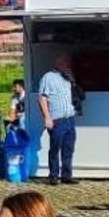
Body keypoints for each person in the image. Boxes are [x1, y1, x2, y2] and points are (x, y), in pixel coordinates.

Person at [37, 53, 78, 185]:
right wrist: (47, 117)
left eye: (68, 62)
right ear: (58, 63)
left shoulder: (67, 77)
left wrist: (72, 79)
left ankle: (67, 175)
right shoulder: (48, 77)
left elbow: (75, 93)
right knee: (55, 148)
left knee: (68, 148)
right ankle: (53, 175)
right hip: (57, 119)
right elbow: (42, 98)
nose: (67, 64)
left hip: (69, 118)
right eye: (65, 62)